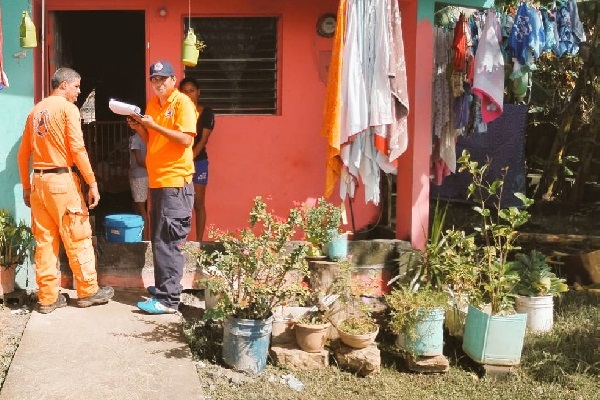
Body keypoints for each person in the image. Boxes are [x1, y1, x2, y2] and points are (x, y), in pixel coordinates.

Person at [17, 67, 115, 314]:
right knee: (78, 236)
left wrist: (26, 188)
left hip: (39, 183)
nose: (79, 92)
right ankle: (87, 291)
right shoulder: (68, 109)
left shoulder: (35, 111)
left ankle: (47, 298)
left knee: (45, 243)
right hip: (63, 182)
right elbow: (77, 150)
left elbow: (22, 155)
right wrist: (92, 182)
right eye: (77, 86)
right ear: (63, 85)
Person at [127, 60, 198, 314]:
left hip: (175, 183)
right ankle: (163, 289)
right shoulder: (152, 105)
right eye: (154, 80)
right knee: (159, 240)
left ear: (173, 79)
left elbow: (185, 138)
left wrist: (154, 125)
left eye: (163, 79)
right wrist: (140, 128)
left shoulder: (182, 103)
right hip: (158, 182)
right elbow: (153, 138)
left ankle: (169, 300)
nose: (158, 84)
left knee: (169, 242)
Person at [178, 77, 215, 243]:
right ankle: (180, 241)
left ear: (198, 92)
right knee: (179, 203)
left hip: (198, 162)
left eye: (191, 90)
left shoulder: (206, 112)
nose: (188, 94)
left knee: (198, 203)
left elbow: (203, 141)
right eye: (185, 91)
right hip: (179, 163)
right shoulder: (178, 112)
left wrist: (189, 159)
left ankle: (199, 242)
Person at [128, 131, 150, 241]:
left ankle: (145, 239)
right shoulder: (149, 137)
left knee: (141, 209)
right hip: (147, 175)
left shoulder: (136, 139)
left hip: (139, 175)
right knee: (145, 207)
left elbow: (139, 160)